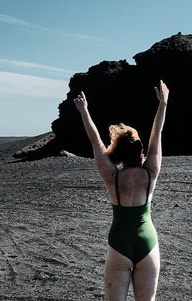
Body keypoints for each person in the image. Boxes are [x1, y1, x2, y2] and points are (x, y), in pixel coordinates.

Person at [73, 80, 169, 300]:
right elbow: (157, 134)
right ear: (139, 149)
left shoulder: (112, 176)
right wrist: (162, 104)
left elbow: (95, 141)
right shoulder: (150, 172)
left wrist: (84, 112)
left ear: (117, 151)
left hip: (119, 242)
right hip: (147, 241)